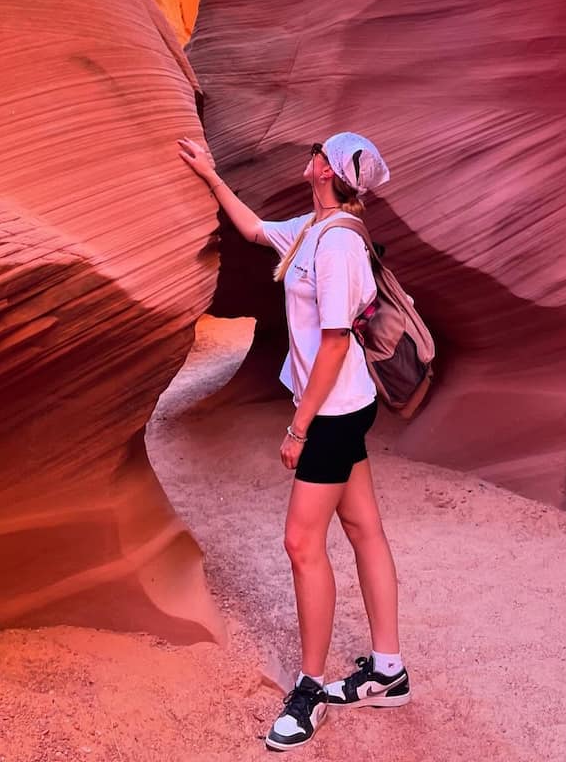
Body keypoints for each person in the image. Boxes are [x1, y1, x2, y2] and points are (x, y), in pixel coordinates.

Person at [178, 131, 410, 751]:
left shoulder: (337, 247)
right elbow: (256, 231)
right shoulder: (312, 230)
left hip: (332, 413)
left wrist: (297, 428)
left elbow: (335, 341)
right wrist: (209, 173)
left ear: (328, 170)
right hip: (343, 405)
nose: (309, 154)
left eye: (318, 149)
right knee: (365, 530)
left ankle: (309, 691)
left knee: (301, 542)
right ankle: (389, 671)